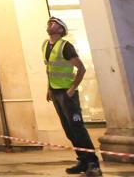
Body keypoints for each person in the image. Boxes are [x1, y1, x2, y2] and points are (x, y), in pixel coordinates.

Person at [45, 16, 101, 176]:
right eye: (50, 22)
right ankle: (82, 160)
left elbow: (81, 69)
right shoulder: (46, 45)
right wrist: (48, 88)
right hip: (55, 92)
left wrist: (72, 88)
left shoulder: (66, 46)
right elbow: (50, 69)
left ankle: (93, 163)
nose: (50, 24)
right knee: (68, 129)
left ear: (61, 29)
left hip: (67, 94)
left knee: (77, 128)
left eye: (54, 23)